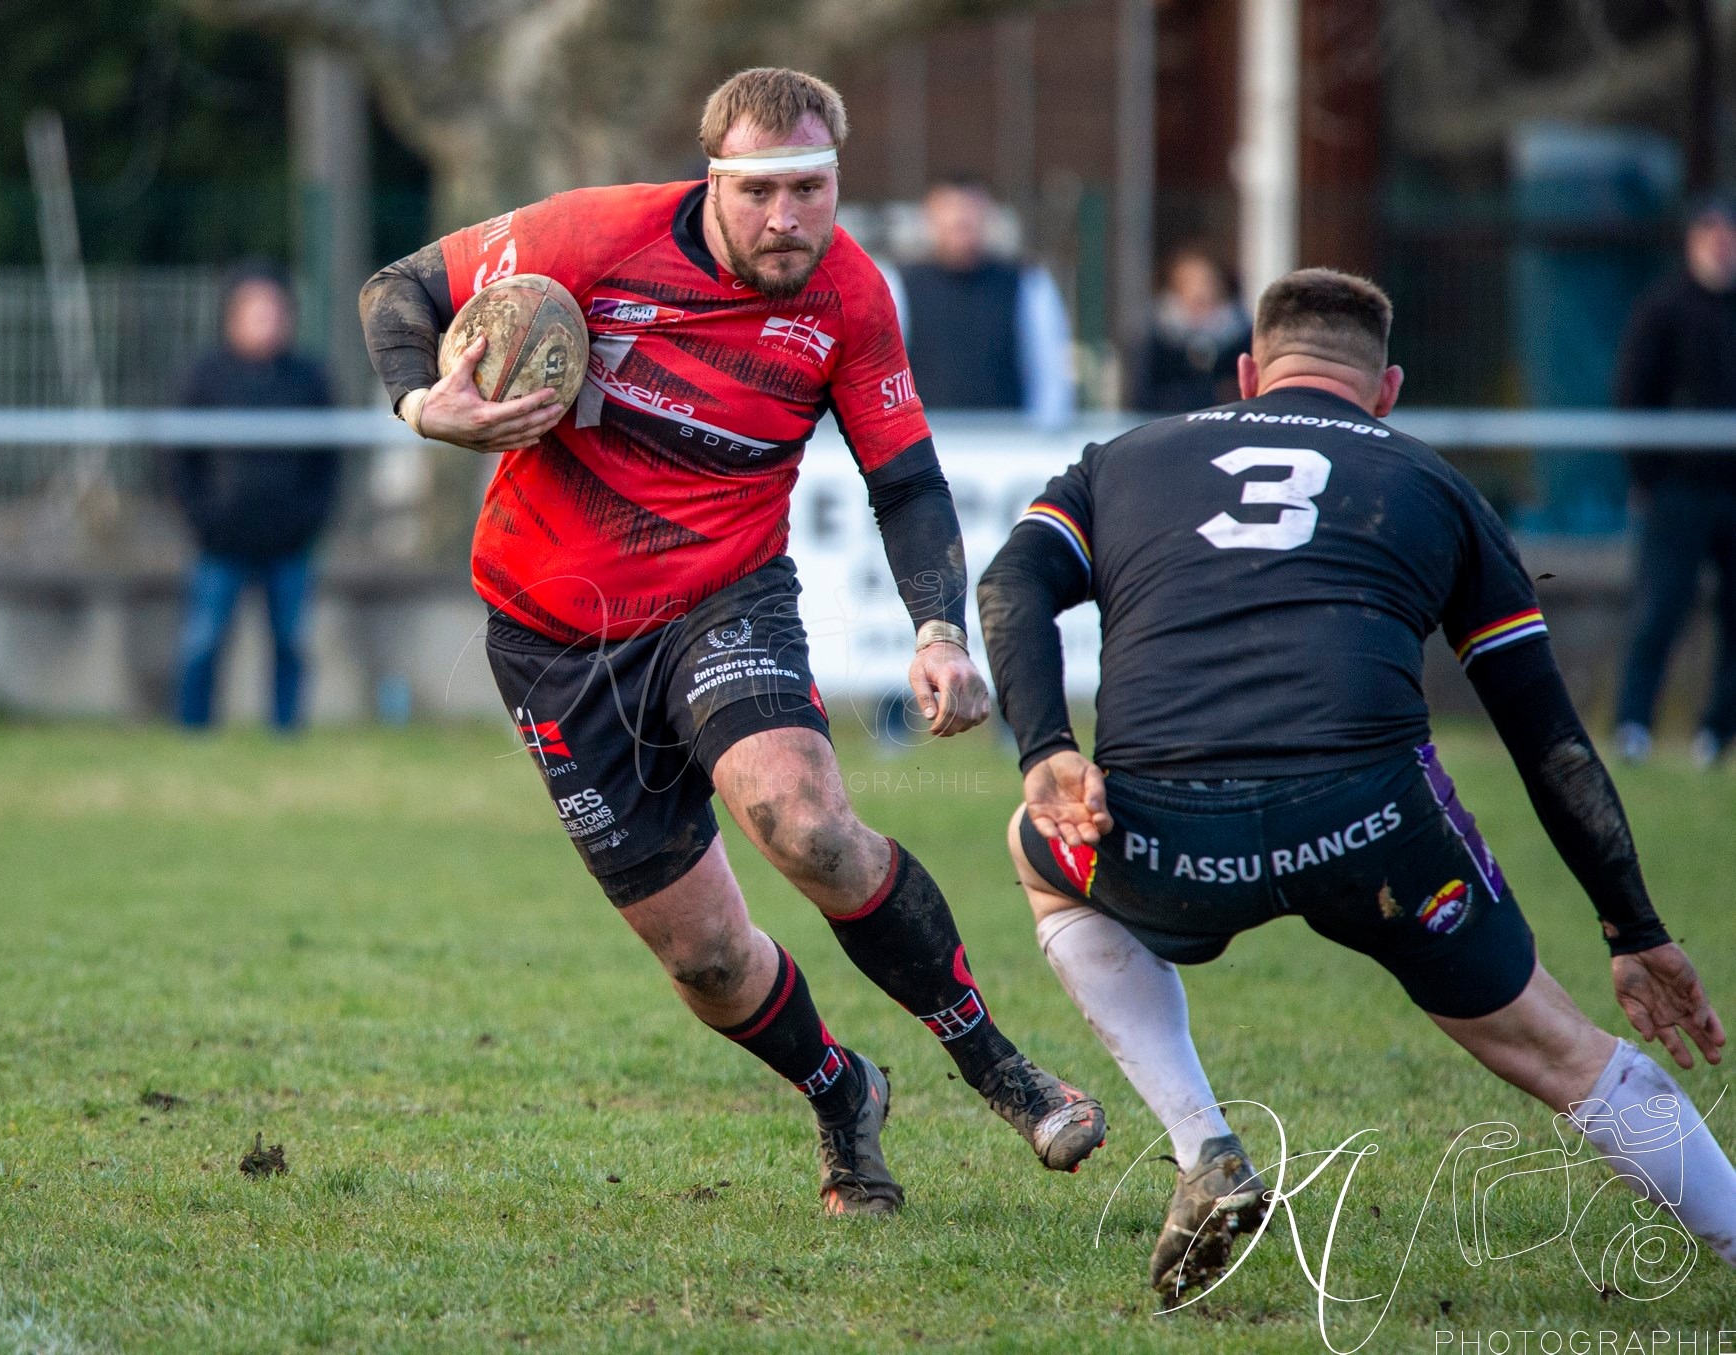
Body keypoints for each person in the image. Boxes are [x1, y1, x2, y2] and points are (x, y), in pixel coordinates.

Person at [358, 67, 1104, 1215]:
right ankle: (839, 1086)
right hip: (550, 633)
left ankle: (996, 1065)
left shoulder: (849, 295)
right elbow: (397, 288)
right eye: (760, 192)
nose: (788, 218)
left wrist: (938, 628)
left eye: (811, 188)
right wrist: (423, 405)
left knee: (805, 823)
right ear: (714, 181)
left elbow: (903, 479)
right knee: (704, 956)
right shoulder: (595, 235)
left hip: (723, 601)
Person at [979, 268, 1735, 1298]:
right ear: (1386, 391)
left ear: (1247, 375)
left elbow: (1009, 579)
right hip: (1369, 830)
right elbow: (1547, 739)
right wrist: (1629, 927)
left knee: (1040, 859)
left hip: (1160, 831)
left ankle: (1204, 1143)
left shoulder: (1121, 459)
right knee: (1564, 1053)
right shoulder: (1435, 485)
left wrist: (1043, 748)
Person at [171, 263, 340, 732]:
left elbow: (330, 463)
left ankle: (286, 733)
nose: (266, 320)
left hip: (289, 544)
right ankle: (191, 732)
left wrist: (309, 520)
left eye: (274, 310)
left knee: (290, 644)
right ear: (233, 316)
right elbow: (177, 458)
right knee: (202, 643)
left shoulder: (309, 380)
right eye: (255, 310)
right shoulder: (204, 377)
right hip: (220, 542)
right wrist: (204, 519)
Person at [1612, 193, 1736, 767]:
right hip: (1679, 492)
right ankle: (1633, 725)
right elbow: (1635, 395)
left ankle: (1717, 734)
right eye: (1711, 233)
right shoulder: (1662, 309)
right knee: (1660, 608)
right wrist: (1650, 477)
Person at [880, 176, 1075, 427]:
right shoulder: (896, 284)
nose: (960, 220)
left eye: (970, 210)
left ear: (989, 214)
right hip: (923, 443)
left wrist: (1042, 442)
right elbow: (883, 375)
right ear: (930, 215)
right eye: (950, 210)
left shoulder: (1028, 283)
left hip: (1007, 447)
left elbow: (1050, 375)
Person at [1128, 245, 1250, 414]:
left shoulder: (1241, 337)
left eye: (1207, 281)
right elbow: (1143, 396)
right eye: (1190, 282)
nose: (1199, 292)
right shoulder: (1159, 339)